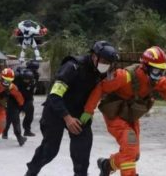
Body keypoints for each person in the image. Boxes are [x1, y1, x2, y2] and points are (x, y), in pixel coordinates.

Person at [83, 46, 166, 176]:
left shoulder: (158, 81)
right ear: (145, 67)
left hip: (130, 116)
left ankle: (107, 165)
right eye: (156, 71)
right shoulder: (124, 76)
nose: (159, 76)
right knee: (130, 146)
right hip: (115, 115)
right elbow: (100, 87)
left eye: (162, 71)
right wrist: (88, 111)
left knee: (134, 155)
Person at [24, 41, 119, 176]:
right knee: (49, 151)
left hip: (79, 113)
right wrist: (67, 118)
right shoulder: (73, 67)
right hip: (56, 111)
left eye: (109, 62)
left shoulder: (102, 72)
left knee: (82, 153)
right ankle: (31, 172)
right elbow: (55, 95)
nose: (106, 64)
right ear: (94, 56)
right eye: (104, 60)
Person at [3, 68, 35, 145]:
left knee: (29, 111)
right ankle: (5, 131)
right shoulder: (16, 79)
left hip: (25, 99)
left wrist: (25, 106)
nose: (26, 81)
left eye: (28, 80)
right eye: (25, 79)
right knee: (11, 117)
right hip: (13, 100)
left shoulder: (32, 82)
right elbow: (7, 89)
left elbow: (30, 95)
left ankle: (26, 131)